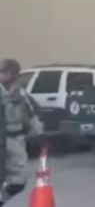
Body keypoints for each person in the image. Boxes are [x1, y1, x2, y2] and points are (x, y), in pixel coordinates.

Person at [0, 58, 41, 207]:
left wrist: (37, 135)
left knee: (18, 182)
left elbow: (32, 115)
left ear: (14, 74)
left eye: (4, 71)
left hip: (15, 141)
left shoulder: (20, 93)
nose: (1, 75)